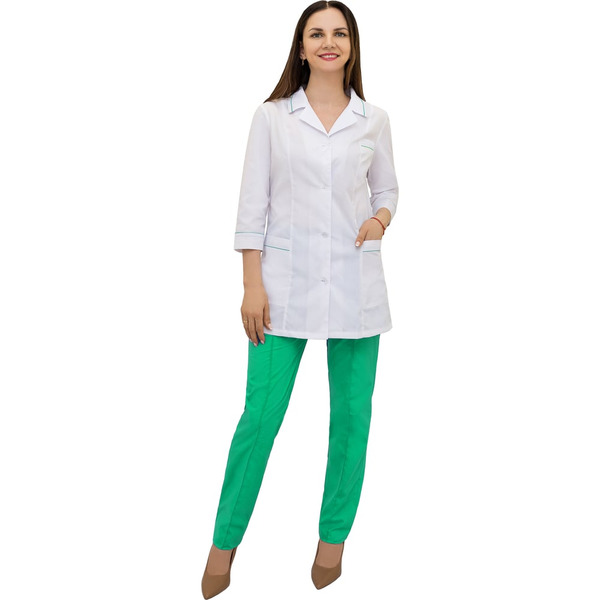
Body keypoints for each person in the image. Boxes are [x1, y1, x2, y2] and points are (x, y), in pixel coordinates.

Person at [201, 1, 398, 597]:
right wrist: (251, 284)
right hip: (281, 287)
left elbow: (387, 188)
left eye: (339, 33)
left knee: (352, 420)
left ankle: (332, 540)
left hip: (355, 284)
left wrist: (380, 220)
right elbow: (251, 204)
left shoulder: (373, 119)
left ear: (352, 46)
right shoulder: (271, 118)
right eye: (317, 33)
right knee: (259, 418)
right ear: (302, 46)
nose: (328, 41)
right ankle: (223, 543)